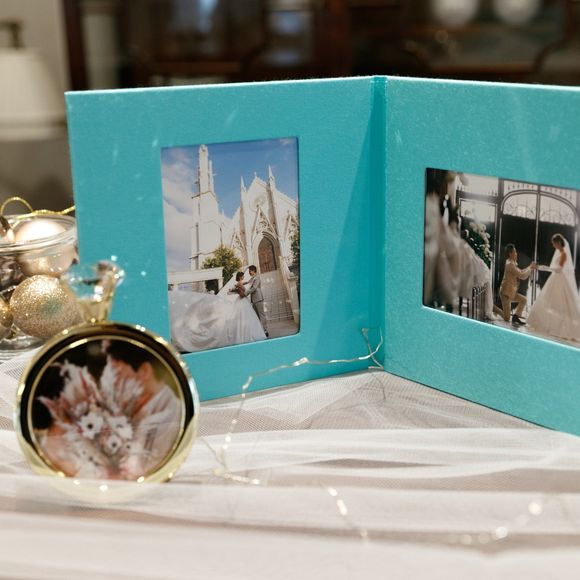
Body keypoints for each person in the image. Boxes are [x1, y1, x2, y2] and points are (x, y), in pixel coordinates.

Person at [105, 341, 182, 478]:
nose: (114, 383)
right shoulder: (125, 406)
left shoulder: (173, 415)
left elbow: (149, 468)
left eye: (117, 374)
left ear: (145, 371)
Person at [169, 272, 266, 352]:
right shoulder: (240, 283)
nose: (245, 276)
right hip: (242, 300)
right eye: (243, 276)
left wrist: (239, 291)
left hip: (242, 300)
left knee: (243, 317)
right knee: (244, 316)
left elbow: (240, 289)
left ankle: (245, 332)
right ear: (241, 277)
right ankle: (248, 333)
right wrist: (243, 293)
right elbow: (242, 292)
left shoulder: (239, 283)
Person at [527, 234, 580, 342]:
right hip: (555, 278)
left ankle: (560, 328)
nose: (553, 245)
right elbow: (554, 268)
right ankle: (548, 325)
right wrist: (540, 267)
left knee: (559, 304)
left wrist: (540, 267)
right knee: (548, 302)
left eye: (554, 243)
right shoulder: (559, 253)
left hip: (559, 279)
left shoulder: (564, 254)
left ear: (559, 242)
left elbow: (558, 269)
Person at [493, 244, 534, 326]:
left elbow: (521, 272)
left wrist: (530, 267)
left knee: (524, 300)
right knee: (507, 318)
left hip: (511, 292)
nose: (516, 254)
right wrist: (530, 268)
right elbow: (522, 275)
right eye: (515, 252)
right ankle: (493, 307)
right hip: (506, 293)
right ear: (510, 254)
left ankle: (516, 316)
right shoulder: (510, 264)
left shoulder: (512, 263)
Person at [244, 265, 269, 337]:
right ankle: (260, 330)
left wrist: (245, 293)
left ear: (253, 271)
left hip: (258, 298)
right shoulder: (252, 278)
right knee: (257, 316)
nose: (249, 272)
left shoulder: (257, 277)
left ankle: (265, 330)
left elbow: (254, 288)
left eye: (250, 271)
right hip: (253, 299)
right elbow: (247, 283)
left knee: (261, 315)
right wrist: (239, 284)